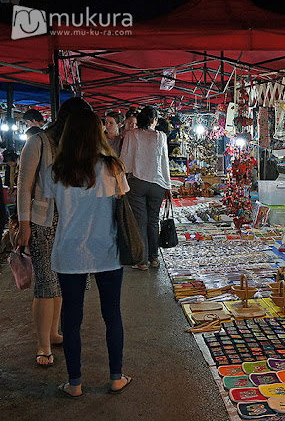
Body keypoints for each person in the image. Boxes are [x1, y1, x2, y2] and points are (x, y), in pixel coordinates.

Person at [44, 108, 132, 398]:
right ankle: (116, 377)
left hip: (69, 251)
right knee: (113, 314)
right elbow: (121, 201)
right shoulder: (112, 167)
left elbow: (48, 205)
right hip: (105, 249)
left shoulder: (56, 171)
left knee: (71, 318)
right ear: (98, 133)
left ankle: (75, 383)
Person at [17, 97, 92, 367]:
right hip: (43, 223)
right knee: (46, 284)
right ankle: (43, 344)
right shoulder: (37, 142)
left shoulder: (75, 145)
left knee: (63, 282)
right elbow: (24, 186)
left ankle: (53, 333)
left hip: (72, 224)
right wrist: (24, 225)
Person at [120, 106, 171, 270]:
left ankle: (141, 261)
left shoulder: (131, 135)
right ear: (153, 120)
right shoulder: (161, 136)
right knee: (153, 221)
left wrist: (122, 182)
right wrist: (168, 186)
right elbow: (165, 164)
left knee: (140, 222)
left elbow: (124, 162)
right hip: (157, 184)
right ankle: (154, 258)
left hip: (137, 183)